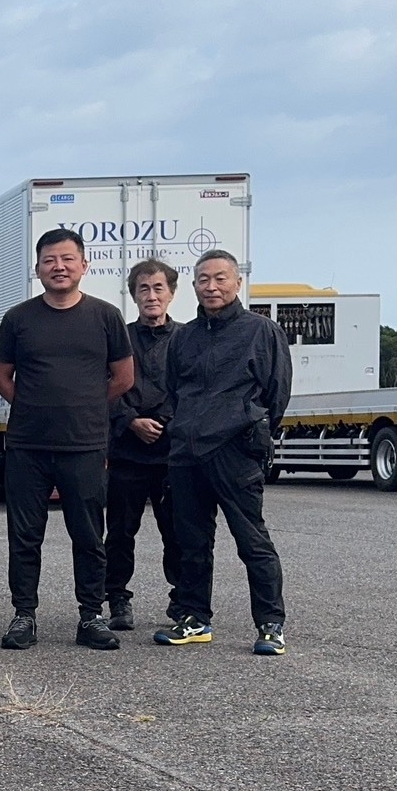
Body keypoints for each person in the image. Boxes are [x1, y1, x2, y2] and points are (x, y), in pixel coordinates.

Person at [0, 228, 134, 652]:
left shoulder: (105, 316)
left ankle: (91, 615)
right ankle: (24, 615)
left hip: (85, 445)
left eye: (68, 259)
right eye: (49, 260)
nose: (59, 267)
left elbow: (123, 378)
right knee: (24, 536)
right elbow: (2, 376)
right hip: (27, 445)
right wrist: (35, 406)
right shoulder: (18, 318)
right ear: (37, 269)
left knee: (88, 536)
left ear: (84, 265)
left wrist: (85, 407)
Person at [156, 250, 292, 655]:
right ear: (194, 285)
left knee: (252, 541)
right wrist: (183, 430)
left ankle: (270, 624)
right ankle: (195, 618)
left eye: (220, 278)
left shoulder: (261, 331)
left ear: (237, 283)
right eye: (203, 279)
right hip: (186, 454)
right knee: (191, 543)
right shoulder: (183, 337)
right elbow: (173, 391)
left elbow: (276, 393)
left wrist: (252, 430)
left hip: (235, 451)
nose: (211, 287)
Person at [105, 259, 185, 631]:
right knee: (120, 532)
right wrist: (131, 420)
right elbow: (104, 385)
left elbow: (192, 387)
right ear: (133, 294)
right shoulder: (119, 338)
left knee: (178, 532)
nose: (151, 296)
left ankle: (182, 599)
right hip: (127, 451)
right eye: (143, 289)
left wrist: (165, 420)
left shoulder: (186, 339)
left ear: (171, 293)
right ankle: (117, 599)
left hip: (173, 453)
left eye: (158, 288)